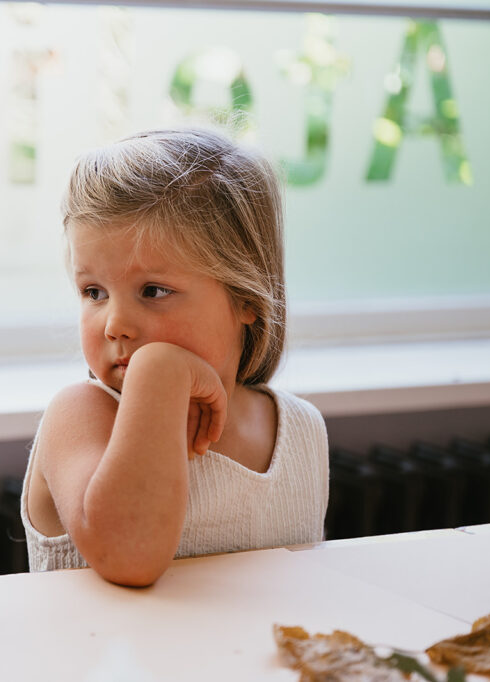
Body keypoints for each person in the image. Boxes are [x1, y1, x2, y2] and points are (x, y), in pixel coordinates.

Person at [20, 127, 329, 587]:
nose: (114, 324)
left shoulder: (301, 430)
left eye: (153, 291)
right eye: (94, 292)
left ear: (246, 299)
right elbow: (129, 556)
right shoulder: (78, 417)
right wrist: (160, 375)